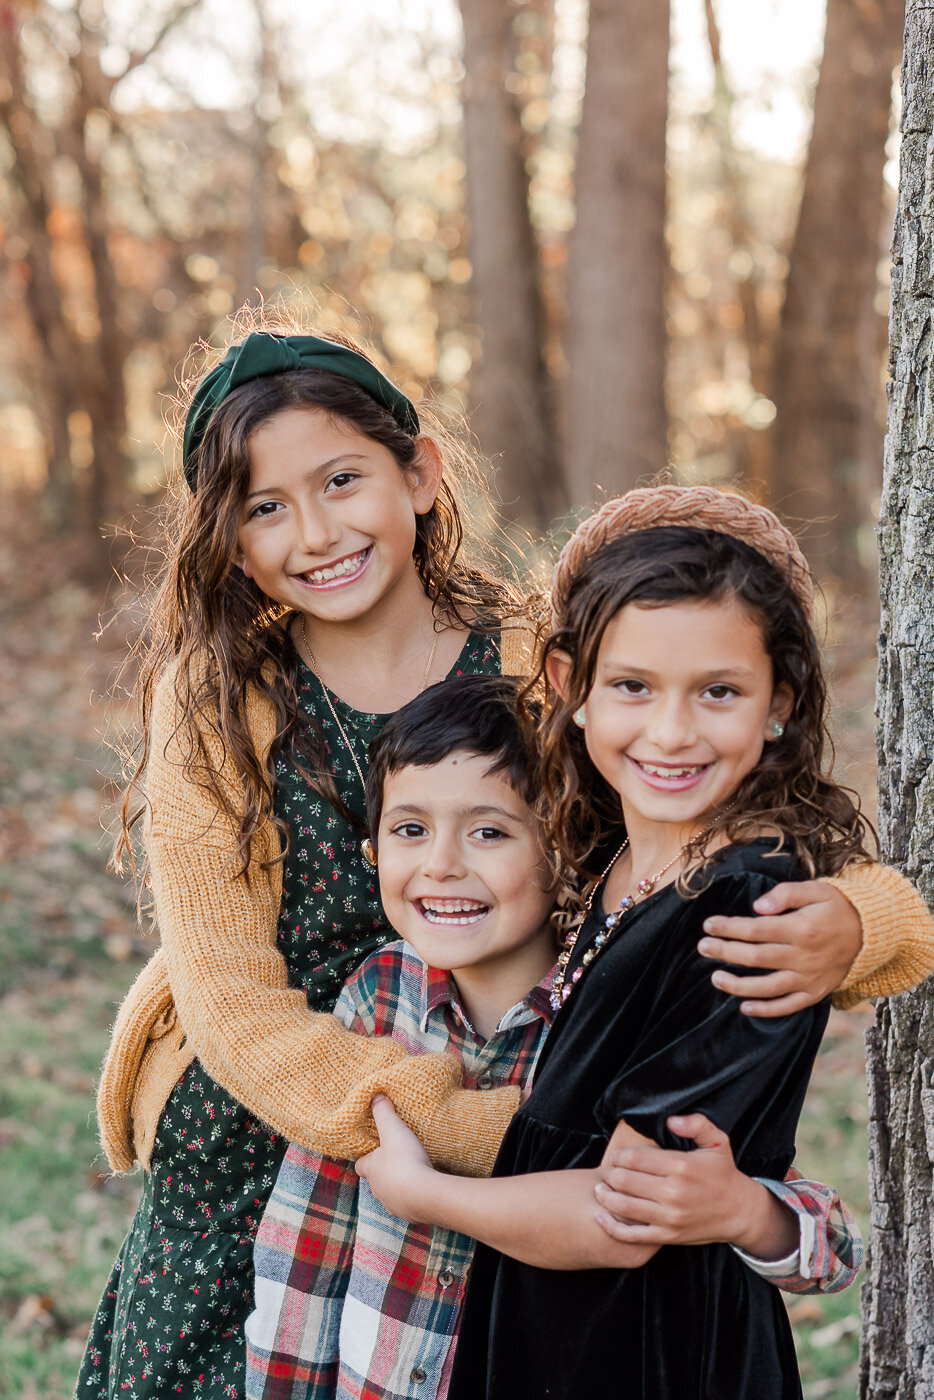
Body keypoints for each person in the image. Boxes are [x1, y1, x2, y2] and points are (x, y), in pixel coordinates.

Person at [75, 318, 931, 1400]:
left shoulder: (536, 656)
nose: (316, 530)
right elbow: (236, 1013)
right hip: (276, 1127)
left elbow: (709, 813)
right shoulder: (214, 703)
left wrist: (865, 920)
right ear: (227, 540)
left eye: (343, 479)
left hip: (506, 1096)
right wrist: (503, 1135)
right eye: (264, 506)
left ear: (420, 472)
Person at [356, 487, 912, 1399]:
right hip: (552, 1333)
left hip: (654, 1346)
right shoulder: (606, 857)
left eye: (719, 692)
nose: (670, 732)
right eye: (633, 687)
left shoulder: (750, 913)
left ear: (781, 702)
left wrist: (420, 1193)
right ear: (572, 688)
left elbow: (626, 1210)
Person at [245, 674, 862, 1400]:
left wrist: (752, 1215)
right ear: (373, 848)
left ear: (562, 846)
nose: (442, 864)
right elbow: (307, 1244)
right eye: (410, 829)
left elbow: (833, 1249)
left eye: (489, 832)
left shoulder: (605, 1015)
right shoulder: (376, 998)